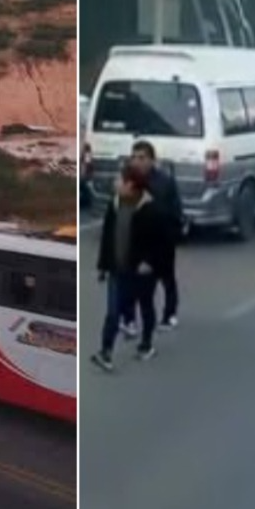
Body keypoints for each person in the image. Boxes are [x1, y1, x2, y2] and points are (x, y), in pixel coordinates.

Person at [91, 163, 174, 372]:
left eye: (119, 180)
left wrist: (151, 263)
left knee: (145, 306)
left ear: (131, 185)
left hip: (143, 272)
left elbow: (164, 242)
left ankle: (146, 344)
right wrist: (103, 266)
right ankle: (105, 352)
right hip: (117, 270)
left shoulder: (152, 210)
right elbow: (107, 237)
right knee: (113, 312)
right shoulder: (115, 204)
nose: (115, 183)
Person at [122, 139, 184, 334]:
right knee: (132, 281)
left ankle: (169, 314)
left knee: (166, 278)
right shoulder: (128, 180)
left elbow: (174, 212)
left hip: (162, 240)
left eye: (141, 158)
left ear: (152, 160)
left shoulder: (164, 182)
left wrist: (172, 235)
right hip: (136, 241)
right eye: (134, 157)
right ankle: (129, 319)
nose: (137, 162)